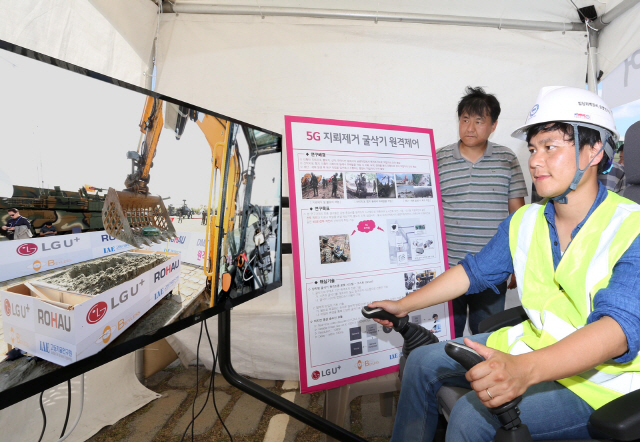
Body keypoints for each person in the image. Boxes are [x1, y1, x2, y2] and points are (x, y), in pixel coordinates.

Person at [370, 86, 640, 441]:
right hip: (534, 346)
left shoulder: (631, 225)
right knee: (421, 362)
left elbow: (618, 329)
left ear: (593, 151)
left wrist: (523, 370)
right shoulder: (525, 220)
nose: (534, 161)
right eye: (532, 149)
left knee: (472, 415)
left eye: (550, 148)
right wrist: (403, 304)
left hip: (599, 382)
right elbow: (473, 272)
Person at [437, 86, 527, 337]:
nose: (470, 127)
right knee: (445, 337)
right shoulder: (439, 158)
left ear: (493, 125)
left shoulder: (506, 158)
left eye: (479, 121)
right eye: (465, 119)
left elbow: (517, 215)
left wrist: (517, 262)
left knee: (487, 338)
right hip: (448, 267)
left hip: (491, 266)